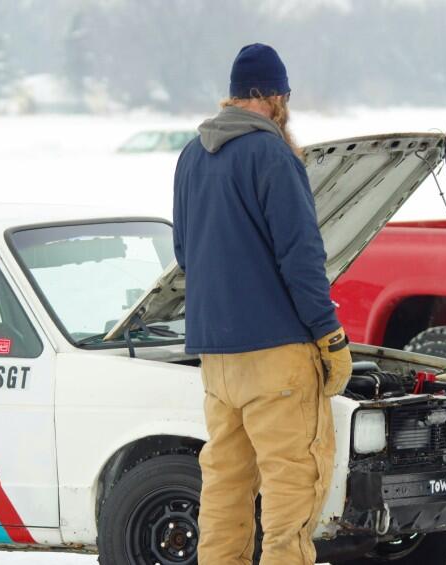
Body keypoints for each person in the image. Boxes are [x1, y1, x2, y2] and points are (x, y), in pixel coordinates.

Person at [172, 43, 352, 565]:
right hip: (277, 358)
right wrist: (328, 334)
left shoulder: (191, 155)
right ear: (273, 97)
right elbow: (301, 257)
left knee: (225, 490)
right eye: (285, 97)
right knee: (291, 495)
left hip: (215, 360)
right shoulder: (272, 153)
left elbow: (185, 252)